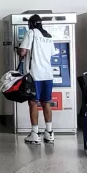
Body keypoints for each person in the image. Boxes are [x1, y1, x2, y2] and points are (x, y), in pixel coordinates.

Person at [18, 14, 57, 144]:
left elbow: (23, 51)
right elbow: (52, 53)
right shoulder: (48, 36)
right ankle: (49, 133)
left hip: (34, 74)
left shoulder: (31, 33)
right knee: (46, 102)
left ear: (31, 24)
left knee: (33, 102)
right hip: (48, 74)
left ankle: (34, 134)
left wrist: (19, 51)